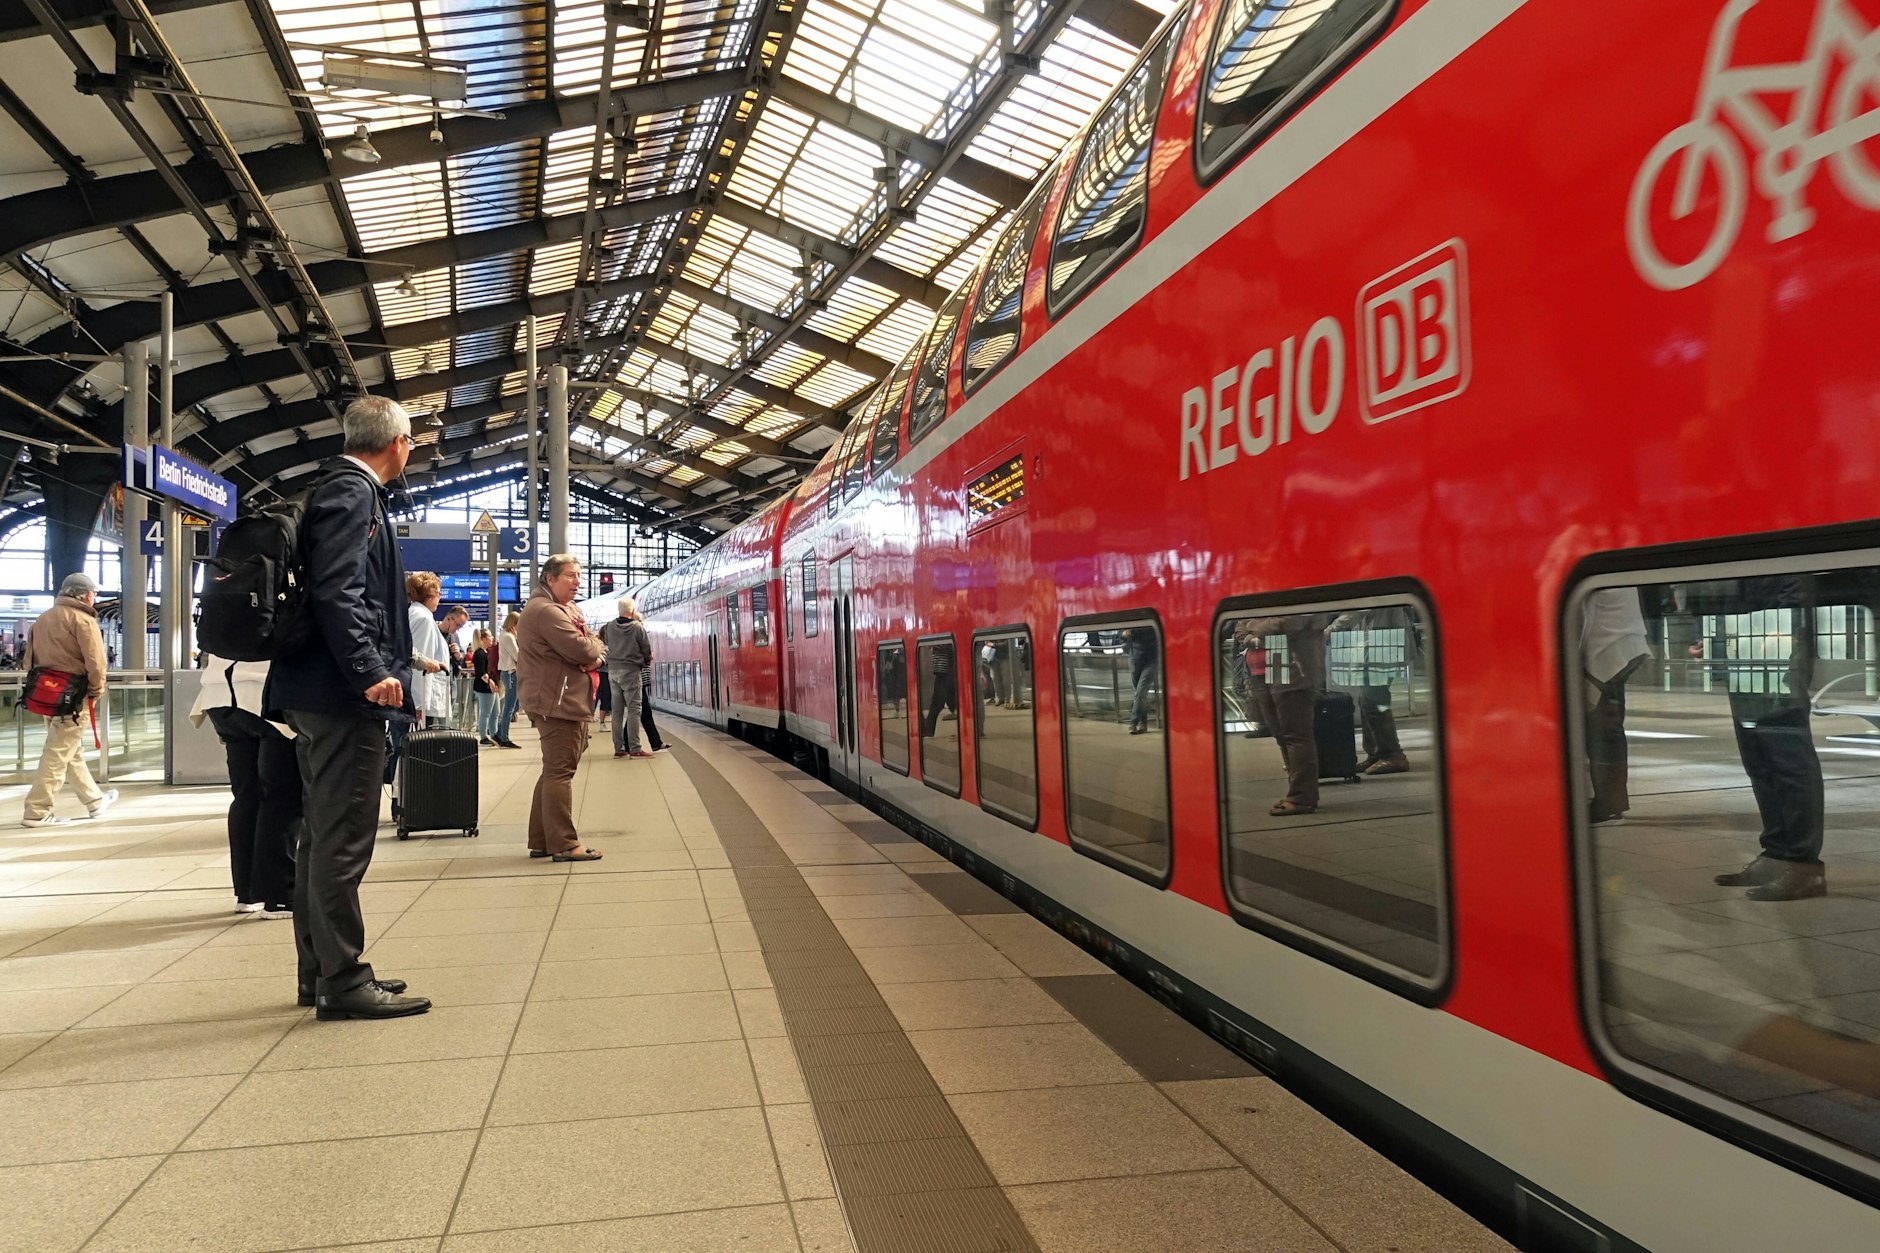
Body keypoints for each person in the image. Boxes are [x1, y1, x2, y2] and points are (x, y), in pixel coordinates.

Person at [263, 395, 429, 1021]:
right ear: (396, 443)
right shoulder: (353, 493)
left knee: (321, 839)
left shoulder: (338, 490)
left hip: (317, 691)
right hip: (337, 694)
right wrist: (372, 673)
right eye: (411, 440)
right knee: (341, 841)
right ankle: (343, 980)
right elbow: (339, 591)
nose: (411, 449)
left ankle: (321, 973)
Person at [1699, 576, 1826, 902]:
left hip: (1775, 657)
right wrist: (1717, 644)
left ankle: (1802, 864)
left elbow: (1793, 600)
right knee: (1759, 760)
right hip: (1743, 655)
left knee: (1788, 761)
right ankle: (1776, 854)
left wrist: (1777, 646)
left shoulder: (1781, 540)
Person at [191, 653, 300, 917]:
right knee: (281, 797)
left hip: (219, 697)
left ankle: (248, 893)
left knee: (246, 796)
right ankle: (280, 896)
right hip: (264, 691)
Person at [517, 553, 605, 861]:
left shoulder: (565, 609)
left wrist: (595, 652)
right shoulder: (547, 611)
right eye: (570, 575)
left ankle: (542, 840)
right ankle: (565, 844)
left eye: (579, 575)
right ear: (550, 578)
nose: (577, 581)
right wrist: (592, 652)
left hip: (561, 698)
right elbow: (582, 647)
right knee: (560, 772)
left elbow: (595, 642)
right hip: (557, 701)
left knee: (553, 770)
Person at [20, 572, 116, 827]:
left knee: (68, 750)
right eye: (93, 594)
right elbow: (96, 662)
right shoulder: (83, 620)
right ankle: (37, 811)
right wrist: (96, 690)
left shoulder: (42, 619)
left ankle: (94, 801)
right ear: (85, 595)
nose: (94, 599)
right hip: (74, 697)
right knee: (57, 753)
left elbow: (28, 661)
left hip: (46, 695)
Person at [1241, 614, 1332, 817]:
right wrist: (1252, 632)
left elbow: (1287, 623)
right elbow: (1239, 625)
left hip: (1294, 673)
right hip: (1265, 672)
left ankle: (1302, 797)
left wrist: (1253, 626)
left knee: (1296, 736)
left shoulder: (1301, 599)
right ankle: (1297, 790)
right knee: (1281, 734)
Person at [1580, 589, 1652, 827]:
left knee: (1602, 731)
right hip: (1625, 647)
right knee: (1608, 728)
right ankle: (1610, 802)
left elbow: (1583, 621)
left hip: (1608, 653)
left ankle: (1608, 806)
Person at [388, 572, 451, 822]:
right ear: (429, 594)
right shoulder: (422, 619)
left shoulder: (412, 614)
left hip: (411, 696)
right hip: (417, 698)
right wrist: (418, 704)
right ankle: (409, 803)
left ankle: (402, 803)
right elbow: (419, 664)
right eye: (437, 593)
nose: (439, 598)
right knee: (411, 751)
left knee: (403, 749)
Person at [600, 597, 654, 758]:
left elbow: (607, 644)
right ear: (632, 610)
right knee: (634, 710)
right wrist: (645, 660)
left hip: (613, 672)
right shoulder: (637, 627)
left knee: (616, 711)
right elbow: (646, 649)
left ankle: (619, 749)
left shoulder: (609, 627)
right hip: (631, 672)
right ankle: (635, 748)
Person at [1123, 626, 1158, 735]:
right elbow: (1121, 632)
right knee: (1139, 693)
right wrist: (1123, 634)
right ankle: (1143, 723)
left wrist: (1132, 631)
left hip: (1151, 659)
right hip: (1134, 658)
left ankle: (1133, 722)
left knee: (1140, 691)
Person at [494, 610, 522, 748]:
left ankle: (499, 733)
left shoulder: (504, 635)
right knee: (509, 708)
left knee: (510, 706)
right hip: (511, 673)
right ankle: (503, 737)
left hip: (507, 673)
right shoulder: (508, 637)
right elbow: (517, 656)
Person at [919, 641, 957, 737]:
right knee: (945, 701)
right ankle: (928, 729)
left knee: (937, 702)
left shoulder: (943, 638)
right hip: (941, 671)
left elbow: (945, 644)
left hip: (945, 672)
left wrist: (932, 643)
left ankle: (928, 729)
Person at [471, 628, 502, 746]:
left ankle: (494, 733)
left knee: (495, 712)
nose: (492, 638)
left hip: (491, 686)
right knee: (485, 712)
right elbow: (481, 671)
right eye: (490, 636)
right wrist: (490, 681)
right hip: (484, 687)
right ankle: (483, 736)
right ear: (483, 639)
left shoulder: (486, 652)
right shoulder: (479, 654)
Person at [638, 658, 667, 752]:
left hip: (639, 682)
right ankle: (625, 745)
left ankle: (656, 743)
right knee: (640, 713)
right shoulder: (636, 645)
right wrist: (648, 656)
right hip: (637, 682)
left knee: (644, 714)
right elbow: (646, 655)